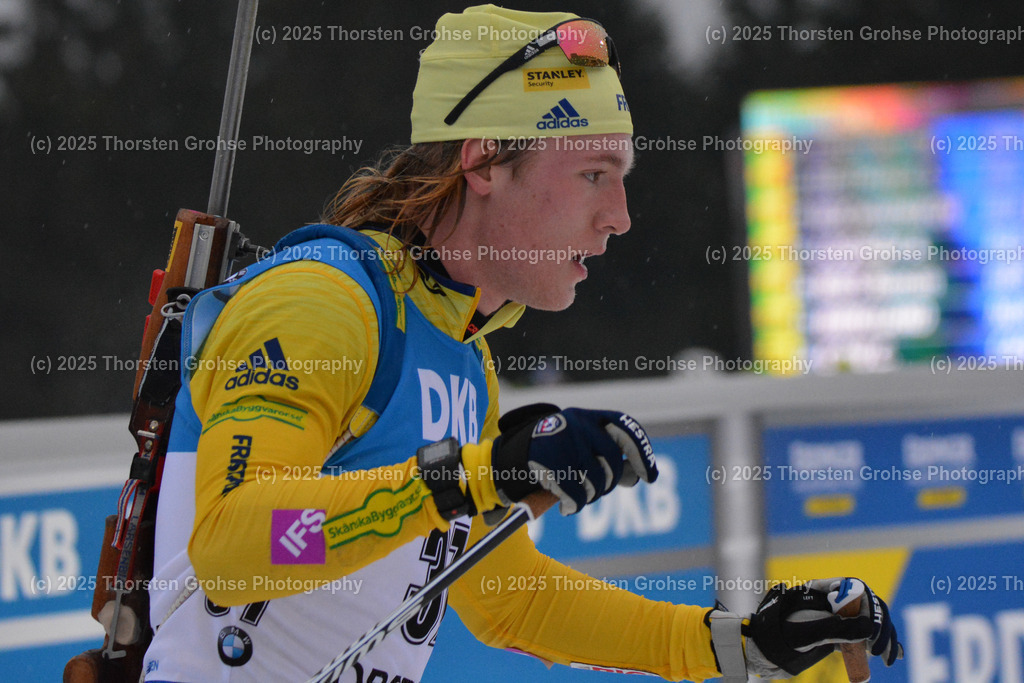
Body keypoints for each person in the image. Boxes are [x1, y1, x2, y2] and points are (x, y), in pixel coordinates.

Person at [142, 5, 902, 681]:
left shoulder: (461, 351)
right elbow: (235, 547)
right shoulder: (323, 302)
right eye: (593, 174)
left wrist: (741, 645)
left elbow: (511, 599)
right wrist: (474, 474)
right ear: (483, 162)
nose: (621, 216)